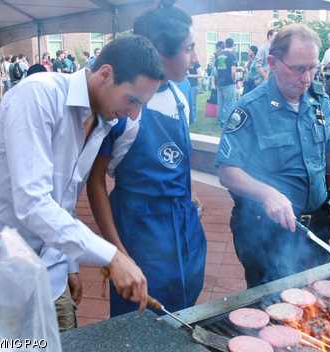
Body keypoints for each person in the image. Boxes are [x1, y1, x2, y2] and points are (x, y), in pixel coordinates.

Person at [0, 35, 165, 340]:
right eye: (132, 100)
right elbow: (33, 203)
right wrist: (112, 256)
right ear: (105, 74)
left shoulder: (104, 121)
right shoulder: (39, 95)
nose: (133, 114)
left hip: (47, 274)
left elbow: (62, 200)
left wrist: (69, 263)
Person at [215, 23, 330, 288]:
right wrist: (267, 194)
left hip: (317, 226)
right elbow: (227, 171)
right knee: (271, 306)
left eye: (312, 67)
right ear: (272, 62)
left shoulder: (319, 101)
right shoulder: (249, 109)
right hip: (265, 232)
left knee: (319, 300)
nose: (307, 78)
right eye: (298, 69)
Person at [86, 0, 207, 317]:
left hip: (184, 230)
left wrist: (189, 189)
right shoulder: (123, 108)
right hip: (139, 231)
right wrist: (117, 254)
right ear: (157, 52)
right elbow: (95, 180)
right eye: (188, 48)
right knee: (138, 323)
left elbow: (180, 155)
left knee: (184, 314)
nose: (195, 58)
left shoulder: (181, 96)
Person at [215, 37, 238, 130]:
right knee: (229, 105)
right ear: (233, 45)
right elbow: (233, 71)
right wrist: (234, 80)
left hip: (219, 82)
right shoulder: (232, 56)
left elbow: (215, 70)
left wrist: (218, 78)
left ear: (225, 44)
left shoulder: (219, 55)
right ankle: (229, 124)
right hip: (228, 83)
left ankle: (220, 124)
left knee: (220, 104)